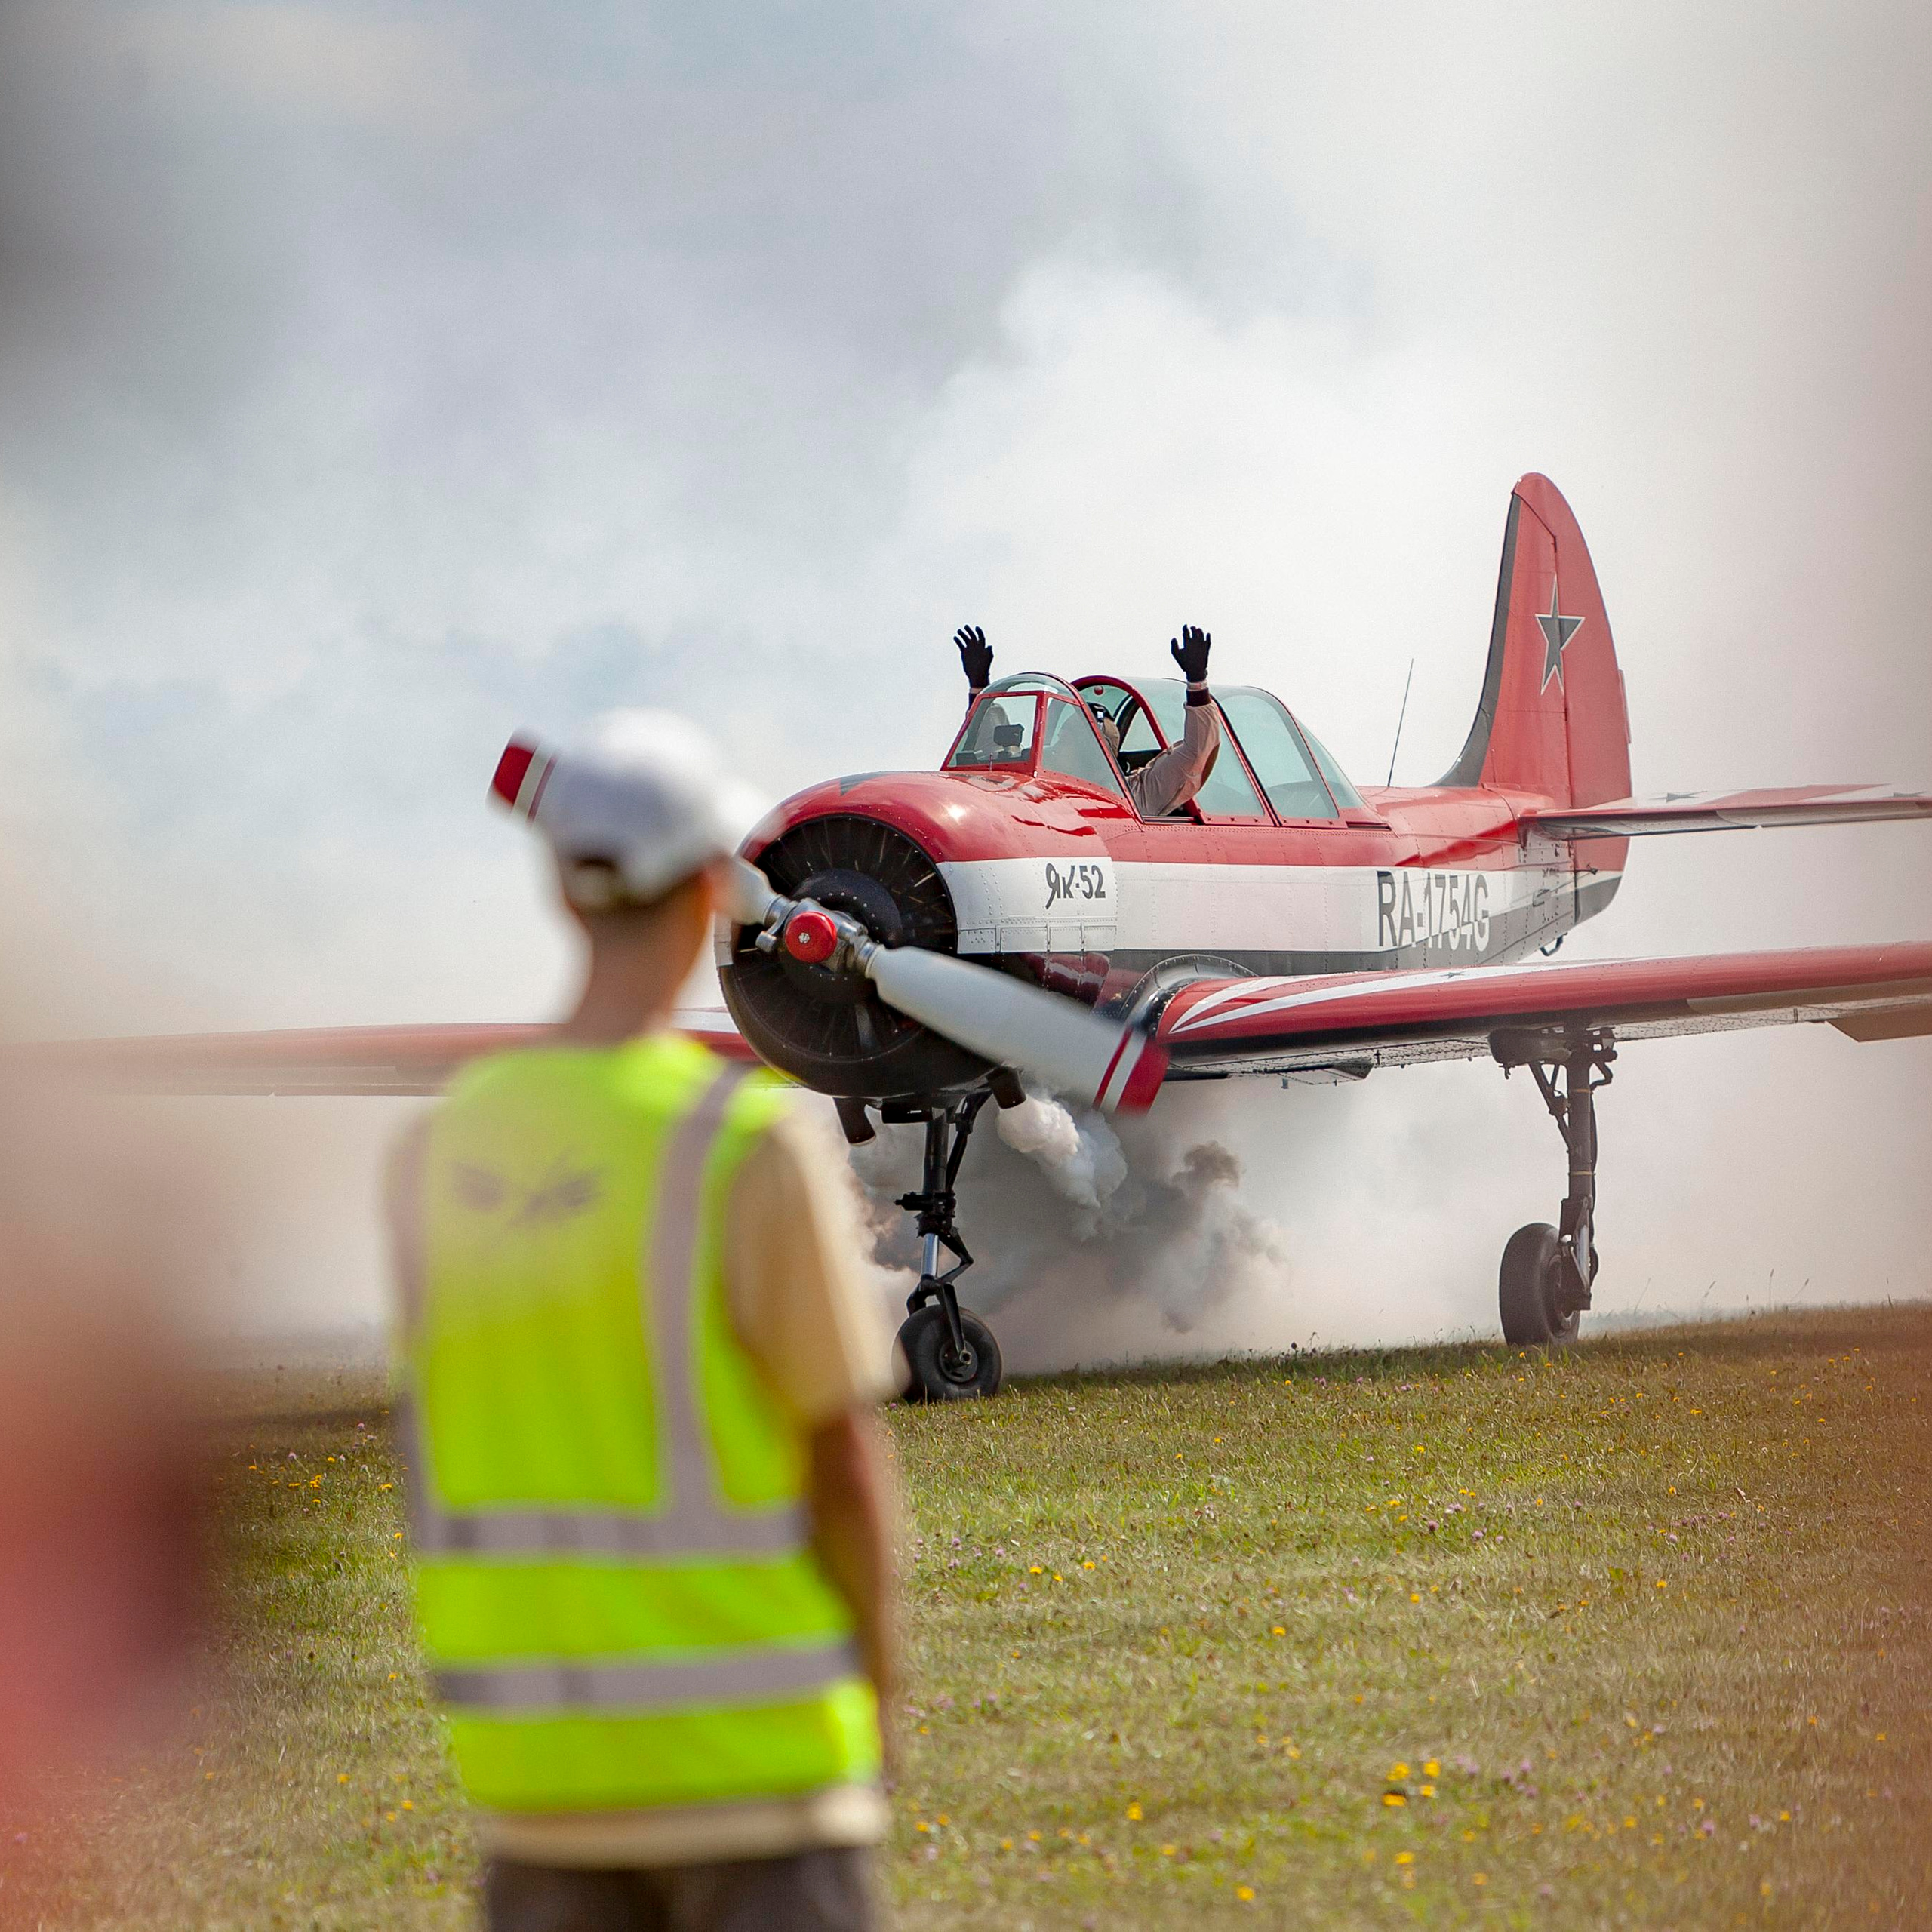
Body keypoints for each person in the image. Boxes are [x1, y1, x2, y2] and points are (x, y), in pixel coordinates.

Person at [386, 710, 898, 1932]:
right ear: (712, 891)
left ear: (563, 892)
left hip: (536, 1790)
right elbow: (842, 1464)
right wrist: (882, 1702)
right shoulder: (747, 1143)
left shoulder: (434, 1150)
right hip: (758, 1776)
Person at [952, 620, 1221, 817]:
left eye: (1071, 738)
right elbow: (987, 755)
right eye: (1063, 735)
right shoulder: (1034, 787)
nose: (1057, 745)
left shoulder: (1135, 796)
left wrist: (1197, 682)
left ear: (1095, 753)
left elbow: (1198, 751)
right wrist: (980, 685)